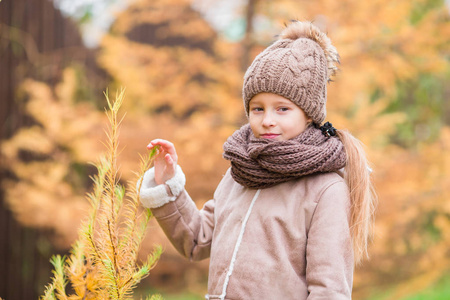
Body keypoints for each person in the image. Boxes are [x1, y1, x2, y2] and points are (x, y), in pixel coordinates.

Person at [138, 20, 377, 300]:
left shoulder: (325, 189)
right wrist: (167, 183)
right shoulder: (240, 174)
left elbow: (330, 290)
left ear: (309, 114)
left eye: (282, 109)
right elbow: (196, 241)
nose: (267, 121)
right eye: (258, 108)